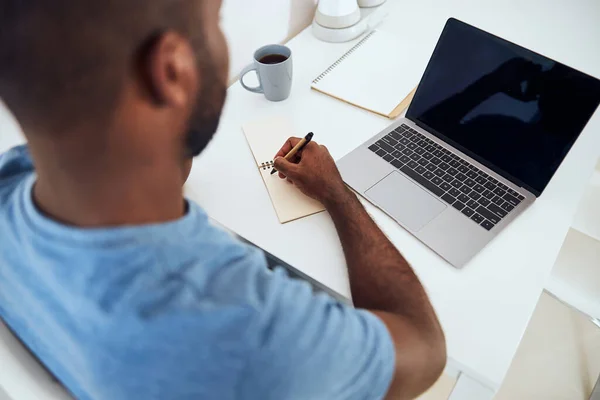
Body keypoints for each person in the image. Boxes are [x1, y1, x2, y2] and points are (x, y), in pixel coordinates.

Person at [0, 0, 446, 399]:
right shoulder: (249, 330)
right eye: (217, 20)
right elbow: (424, 350)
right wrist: (336, 191)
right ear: (172, 72)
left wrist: (164, 124)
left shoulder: (13, 182)